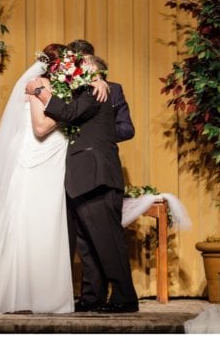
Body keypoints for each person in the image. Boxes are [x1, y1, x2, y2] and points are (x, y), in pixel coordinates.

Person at [0, 45, 104, 314]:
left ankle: (46, 295)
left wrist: (95, 80)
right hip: (36, 159)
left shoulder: (56, 87)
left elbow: (89, 85)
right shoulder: (38, 85)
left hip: (52, 161)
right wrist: (69, 115)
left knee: (49, 225)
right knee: (30, 222)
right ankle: (22, 294)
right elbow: (40, 128)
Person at [22, 50, 136, 313]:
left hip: (96, 175)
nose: (78, 68)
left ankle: (124, 297)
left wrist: (38, 91)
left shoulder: (97, 91)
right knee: (88, 242)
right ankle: (92, 296)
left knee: (107, 240)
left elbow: (69, 113)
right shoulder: (84, 90)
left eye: (84, 64)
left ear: (94, 71)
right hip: (82, 178)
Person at [66, 39, 134, 143]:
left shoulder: (113, 89)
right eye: (76, 63)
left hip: (99, 152)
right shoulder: (62, 87)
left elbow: (126, 129)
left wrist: (97, 132)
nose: (81, 68)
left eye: (86, 62)